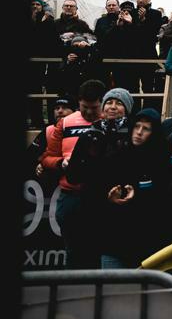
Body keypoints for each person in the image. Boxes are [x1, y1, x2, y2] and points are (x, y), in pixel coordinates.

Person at [38, 80, 107, 268]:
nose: (89, 112)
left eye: (94, 108)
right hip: (71, 197)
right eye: (85, 107)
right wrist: (61, 163)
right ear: (78, 103)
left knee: (99, 254)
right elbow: (46, 158)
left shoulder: (111, 122)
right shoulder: (65, 123)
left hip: (101, 198)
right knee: (74, 253)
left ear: (102, 102)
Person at [93, 109, 172, 268]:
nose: (139, 132)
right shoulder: (117, 154)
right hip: (115, 240)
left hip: (147, 243)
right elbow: (97, 190)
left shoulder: (162, 160)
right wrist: (110, 197)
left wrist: (140, 195)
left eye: (146, 129)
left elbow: (165, 199)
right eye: (136, 126)